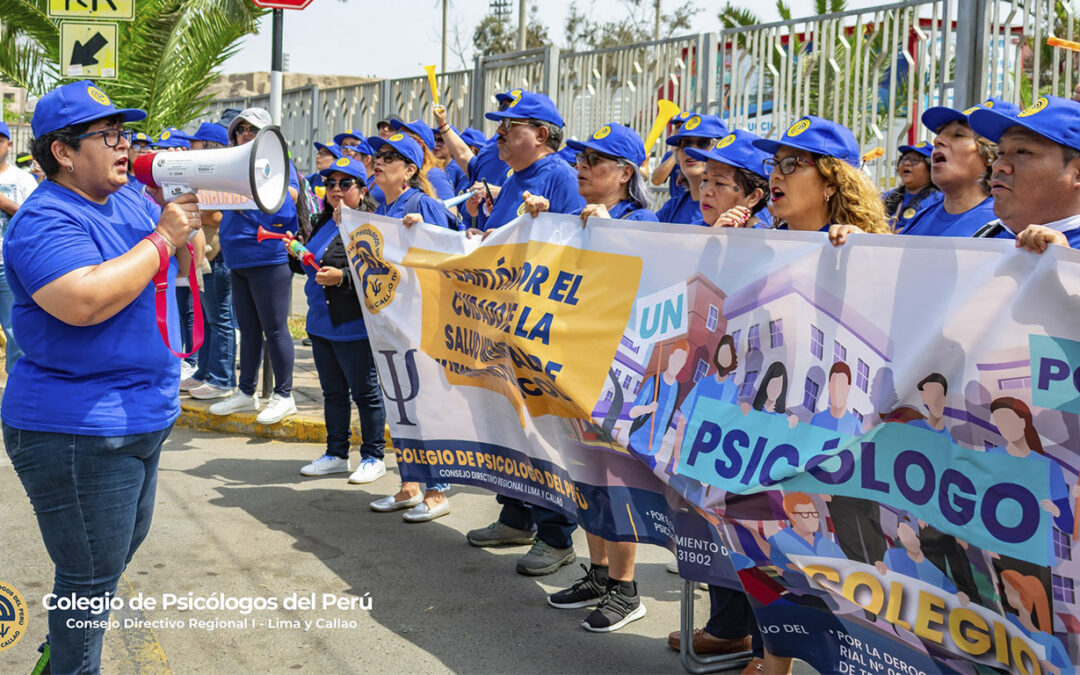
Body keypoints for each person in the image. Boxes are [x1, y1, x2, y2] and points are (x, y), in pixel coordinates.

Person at [2, 79, 201, 674]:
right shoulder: (45, 218)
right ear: (63, 151)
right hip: (78, 428)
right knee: (90, 576)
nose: (125, 144)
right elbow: (82, 301)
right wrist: (165, 237)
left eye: (126, 132)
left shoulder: (133, 199)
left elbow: (186, 264)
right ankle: (68, 664)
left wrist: (191, 232)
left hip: (141, 415)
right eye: (108, 134)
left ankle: (64, 649)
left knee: (106, 561)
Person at [463, 90, 581, 578]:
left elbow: (569, 244)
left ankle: (555, 535)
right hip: (501, 320)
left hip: (535, 325)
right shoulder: (513, 177)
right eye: (501, 129)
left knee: (539, 429)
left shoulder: (557, 175)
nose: (501, 137)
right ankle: (515, 515)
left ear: (543, 136)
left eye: (513, 129)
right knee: (506, 421)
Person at [293, 158, 391, 483]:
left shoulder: (370, 224)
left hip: (353, 326)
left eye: (345, 184)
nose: (336, 189)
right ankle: (336, 453)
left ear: (362, 191)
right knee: (333, 393)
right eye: (331, 184)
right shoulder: (326, 220)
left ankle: (373, 456)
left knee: (365, 393)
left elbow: (380, 272)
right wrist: (295, 254)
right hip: (320, 323)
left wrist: (343, 278)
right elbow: (312, 263)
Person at [208, 107, 301, 425]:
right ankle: (246, 393)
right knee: (247, 329)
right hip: (238, 258)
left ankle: (284, 395)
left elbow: (288, 200)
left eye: (252, 129)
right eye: (240, 129)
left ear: (266, 135)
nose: (245, 133)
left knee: (274, 329)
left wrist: (252, 182)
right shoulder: (227, 165)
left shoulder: (280, 163)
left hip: (269, 257)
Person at [969, 94, 1080, 250]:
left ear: (1078, 173)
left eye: (1022, 151)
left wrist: (1066, 263)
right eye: (1000, 153)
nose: (998, 165)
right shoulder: (986, 236)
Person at [751, 115, 890, 238]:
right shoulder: (765, 244)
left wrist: (862, 251)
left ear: (831, 184)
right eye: (775, 163)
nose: (775, 175)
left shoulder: (850, 247)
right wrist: (732, 241)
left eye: (791, 163)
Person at [901, 99, 1017, 237]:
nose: (938, 141)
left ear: (991, 155)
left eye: (958, 135)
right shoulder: (920, 219)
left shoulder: (1007, 227)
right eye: (939, 134)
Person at [523, 122, 658, 225]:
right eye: (582, 157)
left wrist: (610, 230)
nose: (581, 165)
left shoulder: (642, 221)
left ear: (625, 174)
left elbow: (645, 260)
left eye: (594, 159)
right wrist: (539, 221)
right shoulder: (575, 217)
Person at [0, 120, 38, 373]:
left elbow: (36, 219)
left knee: (16, 332)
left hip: (8, 268)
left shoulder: (22, 179)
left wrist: (4, 203)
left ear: (9, 144)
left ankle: (16, 390)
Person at [367, 132, 457, 228]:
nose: (378, 161)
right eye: (378, 155)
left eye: (388, 157)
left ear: (409, 171)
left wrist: (423, 228)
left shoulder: (424, 205)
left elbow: (446, 241)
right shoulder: (380, 210)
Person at [684, 129, 770, 228]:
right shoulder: (694, 230)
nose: (706, 192)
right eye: (705, 180)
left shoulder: (765, 239)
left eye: (720, 183)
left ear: (753, 197)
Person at [654, 114, 728, 224]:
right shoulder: (671, 209)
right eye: (685, 144)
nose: (691, 151)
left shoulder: (735, 210)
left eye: (703, 143)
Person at [882, 141, 941, 231]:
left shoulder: (939, 201)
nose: (907, 163)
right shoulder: (887, 198)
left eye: (914, 160)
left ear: (930, 167)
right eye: (904, 159)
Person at [650, 110, 692, 200]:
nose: (679, 130)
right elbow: (656, 180)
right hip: (677, 205)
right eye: (677, 127)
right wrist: (676, 152)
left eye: (684, 126)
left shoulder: (700, 154)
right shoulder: (670, 155)